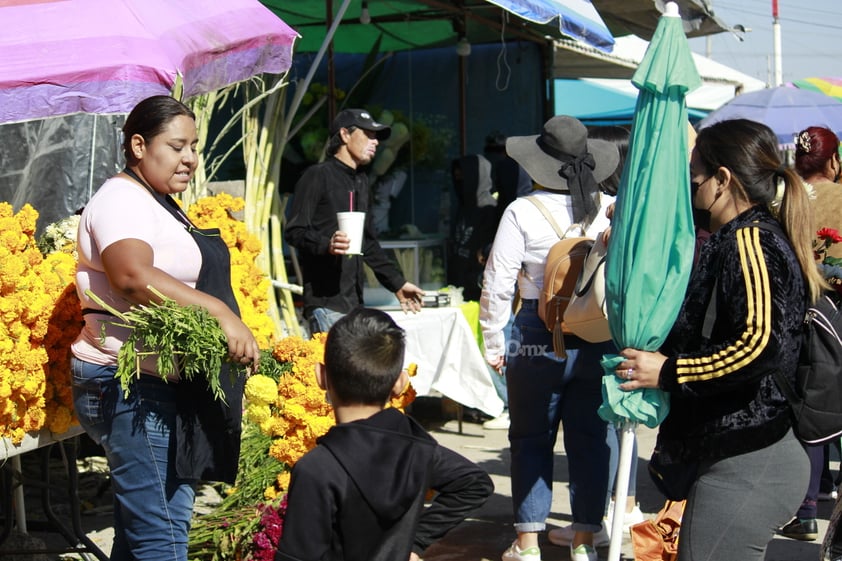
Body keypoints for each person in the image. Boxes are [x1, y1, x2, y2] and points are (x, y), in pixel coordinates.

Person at [615, 118, 824, 561]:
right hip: (737, 452)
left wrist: (669, 371)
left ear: (722, 180)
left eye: (695, 179)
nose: (691, 189)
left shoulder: (750, 241)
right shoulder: (736, 235)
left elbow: (758, 345)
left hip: (751, 455)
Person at [70, 95, 261, 561]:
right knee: (162, 537)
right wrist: (218, 311)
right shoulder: (120, 200)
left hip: (160, 382)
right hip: (127, 381)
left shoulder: (159, 202)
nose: (190, 159)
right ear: (138, 144)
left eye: (194, 146)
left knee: (153, 530)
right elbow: (131, 276)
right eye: (177, 146)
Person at [479, 115, 619, 561]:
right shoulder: (611, 208)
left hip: (538, 332)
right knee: (590, 437)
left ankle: (527, 543)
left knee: (530, 438)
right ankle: (583, 541)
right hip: (597, 333)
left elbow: (498, 283)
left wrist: (495, 343)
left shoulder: (521, 211)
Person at [275, 307, 494, 561]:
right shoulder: (419, 450)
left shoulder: (317, 469)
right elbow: (475, 483)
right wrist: (414, 542)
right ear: (400, 383)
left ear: (321, 376)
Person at [285, 108, 425, 334]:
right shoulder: (317, 175)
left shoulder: (361, 181)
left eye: (376, 136)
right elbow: (294, 231)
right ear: (344, 135)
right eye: (369, 134)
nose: (376, 142)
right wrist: (326, 244)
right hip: (325, 304)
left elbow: (367, 243)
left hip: (355, 304)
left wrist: (397, 283)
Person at [778, 125, 842, 541]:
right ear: (833, 161)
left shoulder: (779, 200)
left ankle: (805, 508)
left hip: (794, 315)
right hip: (834, 312)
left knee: (808, 408)